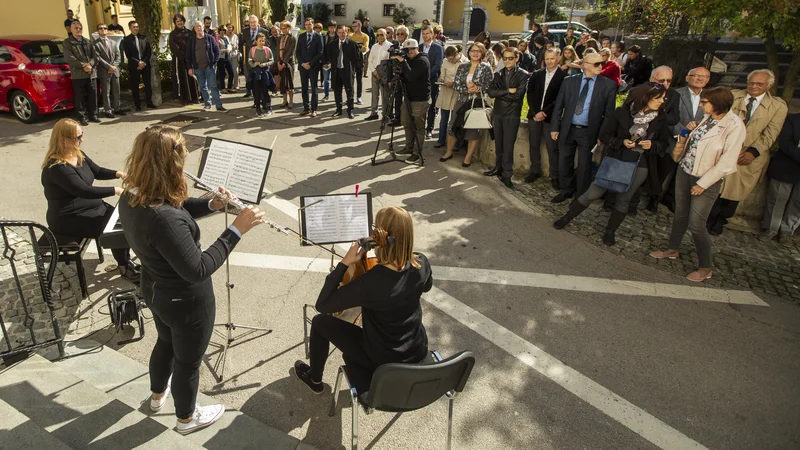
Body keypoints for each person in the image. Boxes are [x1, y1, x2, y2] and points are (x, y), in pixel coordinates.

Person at [119, 125, 265, 434]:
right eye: (182, 157)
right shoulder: (163, 218)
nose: (185, 163)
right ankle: (186, 418)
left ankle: (158, 397)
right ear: (169, 163)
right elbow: (197, 268)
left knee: (165, 343)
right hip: (185, 302)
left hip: (155, 289)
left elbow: (177, 207)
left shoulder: (135, 195)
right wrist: (236, 230)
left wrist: (211, 204)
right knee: (187, 362)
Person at [293, 206, 432, 396]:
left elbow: (323, 305)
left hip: (382, 360)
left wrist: (345, 263)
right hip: (416, 349)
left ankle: (314, 379)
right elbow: (426, 287)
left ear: (381, 236)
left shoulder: (371, 282)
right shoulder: (422, 262)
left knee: (319, 322)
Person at [553, 83, 670, 245]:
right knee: (593, 193)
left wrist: (653, 145)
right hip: (616, 160)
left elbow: (664, 143)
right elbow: (605, 135)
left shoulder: (661, 119)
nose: (662, 102)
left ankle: (610, 232)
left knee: (623, 199)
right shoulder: (622, 113)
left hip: (639, 165)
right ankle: (566, 218)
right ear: (646, 97)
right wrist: (621, 142)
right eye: (659, 98)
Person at [650, 86, 746, 282]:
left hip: (706, 179)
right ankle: (672, 249)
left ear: (717, 104)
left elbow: (727, 161)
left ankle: (705, 267)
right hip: (685, 171)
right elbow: (693, 145)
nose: (701, 105)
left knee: (696, 224)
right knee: (680, 214)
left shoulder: (734, 126)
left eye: (704, 102)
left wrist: (703, 183)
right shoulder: (707, 119)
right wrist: (686, 133)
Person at [41, 118, 137, 281]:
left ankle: (125, 261)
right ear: (64, 139)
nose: (81, 140)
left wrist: (119, 174)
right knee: (117, 228)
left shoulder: (77, 154)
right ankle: (125, 266)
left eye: (81, 135)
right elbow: (84, 191)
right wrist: (116, 190)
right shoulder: (57, 168)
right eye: (77, 137)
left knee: (122, 220)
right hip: (68, 217)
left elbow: (97, 171)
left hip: (90, 208)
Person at [706, 69, 789, 235]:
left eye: (759, 84)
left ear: (769, 85)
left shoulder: (778, 106)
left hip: (749, 154)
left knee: (736, 189)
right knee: (716, 184)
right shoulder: (732, 95)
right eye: (751, 82)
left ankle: (721, 219)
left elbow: (771, 132)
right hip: (724, 147)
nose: (754, 86)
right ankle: (708, 217)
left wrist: (753, 151)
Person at [550, 52, 617, 203]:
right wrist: (555, 127)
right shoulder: (569, 81)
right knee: (564, 161)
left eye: (602, 63)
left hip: (588, 132)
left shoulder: (608, 85)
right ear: (585, 65)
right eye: (596, 64)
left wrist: (602, 135)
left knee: (585, 165)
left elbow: (609, 114)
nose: (601, 66)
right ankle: (565, 190)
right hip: (568, 129)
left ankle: (580, 195)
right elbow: (559, 106)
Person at [438, 42, 494, 167]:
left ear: (482, 53)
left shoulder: (486, 67)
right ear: (469, 52)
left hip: (477, 102)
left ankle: (468, 158)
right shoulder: (463, 66)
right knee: (453, 126)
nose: (475, 53)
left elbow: (490, 85)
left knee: (473, 130)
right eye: (473, 50)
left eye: (478, 51)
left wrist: (478, 88)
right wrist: (467, 90)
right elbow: (456, 84)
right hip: (461, 102)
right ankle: (448, 152)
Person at [485, 47, 529, 189]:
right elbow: (491, 92)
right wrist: (507, 90)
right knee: (498, 143)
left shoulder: (523, 75)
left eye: (511, 58)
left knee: (508, 146)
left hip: (512, 115)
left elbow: (518, 96)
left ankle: (507, 174)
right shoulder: (498, 74)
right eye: (505, 58)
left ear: (517, 58)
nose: (508, 61)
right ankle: (498, 168)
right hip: (498, 113)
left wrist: (501, 93)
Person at [526, 48, 567, 188]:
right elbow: (530, 94)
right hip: (534, 116)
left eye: (552, 58)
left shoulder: (564, 77)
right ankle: (535, 170)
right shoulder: (537, 74)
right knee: (534, 144)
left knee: (552, 148)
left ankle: (554, 175)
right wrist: (536, 111)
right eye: (547, 58)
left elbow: (561, 99)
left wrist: (545, 112)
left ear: (558, 58)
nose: (549, 61)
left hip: (551, 118)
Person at [761, 113, 800, 243]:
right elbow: (785, 142)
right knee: (777, 198)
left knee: (798, 204)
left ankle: (787, 230)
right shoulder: (792, 119)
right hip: (787, 165)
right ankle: (771, 228)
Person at [393, 39, 430, 164]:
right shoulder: (408, 60)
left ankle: (417, 153)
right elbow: (403, 75)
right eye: (407, 50)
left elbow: (411, 76)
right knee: (406, 123)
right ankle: (408, 148)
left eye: (413, 49)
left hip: (420, 99)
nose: (410, 52)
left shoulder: (422, 61)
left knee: (419, 127)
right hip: (408, 97)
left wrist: (403, 62)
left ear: (417, 49)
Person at [63, 21, 99, 126]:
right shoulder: (67, 43)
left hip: (91, 73)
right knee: (80, 97)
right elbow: (69, 58)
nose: (78, 30)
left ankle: (93, 114)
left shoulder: (88, 41)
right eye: (76, 28)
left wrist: (90, 65)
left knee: (93, 94)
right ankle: (82, 116)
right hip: (78, 74)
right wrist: (83, 65)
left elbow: (95, 56)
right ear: (71, 29)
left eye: (80, 28)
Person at [185, 21, 226, 111]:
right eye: (196, 27)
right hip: (197, 68)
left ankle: (218, 105)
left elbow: (217, 51)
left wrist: (214, 62)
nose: (198, 28)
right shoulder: (191, 41)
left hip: (209, 67)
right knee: (203, 87)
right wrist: (189, 68)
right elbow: (188, 56)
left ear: (203, 27)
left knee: (213, 86)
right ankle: (207, 103)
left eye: (200, 26)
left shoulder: (210, 38)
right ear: (194, 29)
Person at [433, 45, 466, 149]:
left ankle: (455, 143)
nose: (450, 61)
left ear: (457, 54)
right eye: (448, 59)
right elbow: (442, 74)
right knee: (443, 119)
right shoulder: (445, 61)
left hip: (457, 93)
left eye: (451, 59)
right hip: (445, 92)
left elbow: (465, 79)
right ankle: (441, 140)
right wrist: (441, 80)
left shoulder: (465, 62)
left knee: (455, 120)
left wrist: (453, 83)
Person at [325, 25, 359, 119]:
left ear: (347, 32)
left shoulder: (352, 44)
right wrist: (327, 63)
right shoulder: (333, 44)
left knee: (349, 91)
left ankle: (350, 110)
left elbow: (357, 59)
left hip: (347, 71)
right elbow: (328, 56)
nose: (341, 34)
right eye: (339, 32)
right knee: (337, 91)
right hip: (336, 71)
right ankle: (338, 109)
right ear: (337, 33)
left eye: (343, 32)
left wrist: (354, 70)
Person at [93, 23, 125, 118]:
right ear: (98, 31)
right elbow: (97, 58)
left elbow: (118, 56)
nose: (103, 30)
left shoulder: (113, 43)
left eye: (105, 28)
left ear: (107, 30)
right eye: (100, 28)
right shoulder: (95, 44)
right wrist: (108, 67)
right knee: (106, 92)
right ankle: (108, 110)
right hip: (104, 71)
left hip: (114, 71)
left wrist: (113, 66)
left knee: (116, 91)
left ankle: (117, 108)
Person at [122, 21, 156, 111]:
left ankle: (149, 102)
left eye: (137, 27)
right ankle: (137, 105)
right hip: (134, 66)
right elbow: (128, 55)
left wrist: (144, 62)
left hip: (145, 65)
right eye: (133, 27)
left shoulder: (144, 38)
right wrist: (138, 63)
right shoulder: (126, 40)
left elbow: (148, 52)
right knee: (135, 86)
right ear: (130, 28)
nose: (136, 28)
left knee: (148, 84)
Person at [169, 15, 200, 105]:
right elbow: (174, 47)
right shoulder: (173, 34)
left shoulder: (189, 33)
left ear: (184, 21)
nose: (179, 23)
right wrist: (183, 56)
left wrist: (190, 56)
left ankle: (195, 97)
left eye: (181, 21)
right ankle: (184, 99)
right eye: (177, 21)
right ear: (175, 23)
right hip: (180, 59)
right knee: (182, 78)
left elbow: (194, 45)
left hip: (190, 59)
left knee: (193, 78)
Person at [419, 25, 443, 140]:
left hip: (432, 81)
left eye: (427, 33)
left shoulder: (438, 48)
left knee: (432, 105)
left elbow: (438, 65)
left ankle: (429, 129)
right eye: (423, 34)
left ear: (432, 34)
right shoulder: (418, 48)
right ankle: (420, 128)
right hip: (419, 82)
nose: (425, 36)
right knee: (420, 105)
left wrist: (426, 76)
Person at [297, 18, 324, 117]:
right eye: (306, 24)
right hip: (303, 67)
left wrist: (310, 64)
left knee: (314, 88)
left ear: (313, 25)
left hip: (313, 67)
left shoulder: (318, 37)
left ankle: (314, 109)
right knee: (304, 88)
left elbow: (320, 52)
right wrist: (302, 63)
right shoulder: (301, 36)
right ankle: (306, 108)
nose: (307, 26)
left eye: (309, 24)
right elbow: (297, 52)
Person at [365, 28, 392, 121]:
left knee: (385, 96)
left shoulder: (390, 46)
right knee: (374, 94)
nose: (380, 37)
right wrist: (374, 71)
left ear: (386, 35)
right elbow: (370, 60)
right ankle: (373, 113)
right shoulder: (374, 46)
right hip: (374, 72)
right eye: (378, 35)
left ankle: (385, 115)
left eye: (382, 35)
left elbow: (390, 62)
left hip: (384, 74)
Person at [248, 32, 275, 117]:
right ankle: (258, 108)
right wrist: (253, 64)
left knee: (265, 90)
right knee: (256, 91)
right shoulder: (252, 50)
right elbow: (249, 60)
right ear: (256, 41)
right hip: (256, 72)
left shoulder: (267, 50)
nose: (261, 42)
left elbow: (272, 60)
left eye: (263, 41)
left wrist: (265, 64)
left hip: (265, 72)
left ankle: (267, 107)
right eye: (260, 41)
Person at [241, 15, 269, 98]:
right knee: (252, 81)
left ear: (257, 23)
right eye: (251, 22)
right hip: (249, 60)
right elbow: (241, 45)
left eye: (254, 22)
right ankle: (256, 100)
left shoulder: (264, 31)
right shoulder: (245, 32)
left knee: (261, 81)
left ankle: (262, 99)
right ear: (248, 23)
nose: (252, 24)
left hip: (261, 61)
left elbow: (268, 45)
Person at [275, 21, 296, 109]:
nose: (283, 30)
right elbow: (277, 50)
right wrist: (278, 62)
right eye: (281, 28)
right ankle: (284, 101)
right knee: (283, 83)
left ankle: (291, 101)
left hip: (289, 63)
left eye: (285, 28)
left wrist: (284, 63)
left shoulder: (292, 38)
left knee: (290, 83)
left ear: (289, 27)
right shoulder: (280, 38)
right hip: (280, 62)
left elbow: (290, 52)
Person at [349, 20, 369, 104]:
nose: (353, 28)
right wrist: (358, 45)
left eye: (355, 26)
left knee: (359, 79)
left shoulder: (365, 36)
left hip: (360, 59)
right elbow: (348, 47)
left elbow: (365, 48)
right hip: (351, 59)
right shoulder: (350, 36)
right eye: (353, 26)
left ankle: (359, 96)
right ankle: (351, 96)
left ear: (360, 26)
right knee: (351, 79)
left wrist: (356, 46)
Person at [215, 25, 235, 94]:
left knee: (231, 73)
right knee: (222, 74)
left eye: (224, 30)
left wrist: (231, 46)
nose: (223, 31)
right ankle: (223, 88)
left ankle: (229, 87)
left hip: (227, 57)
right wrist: (224, 50)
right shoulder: (217, 39)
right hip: (221, 58)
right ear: (219, 31)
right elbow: (217, 49)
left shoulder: (226, 38)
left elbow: (229, 45)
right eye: (221, 30)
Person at [320, 21, 337, 101]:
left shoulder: (338, 36)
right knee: (326, 80)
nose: (332, 29)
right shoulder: (324, 37)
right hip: (326, 62)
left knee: (336, 80)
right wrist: (324, 62)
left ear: (335, 27)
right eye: (330, 27)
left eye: (333, 27)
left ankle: (337, 96)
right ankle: (326, 95)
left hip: (336, 62)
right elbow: (321, 51)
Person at [226, 24, 240, 92]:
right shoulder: (224, 36)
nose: (229, 29)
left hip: (234, 54)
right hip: (227, 55)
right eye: (228, 27)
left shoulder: (235, 36)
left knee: (235, 71)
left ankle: (236, 85)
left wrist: (235, 46)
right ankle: (229, 85)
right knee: (228, 72)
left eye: (230, 27)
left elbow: (237, 45)